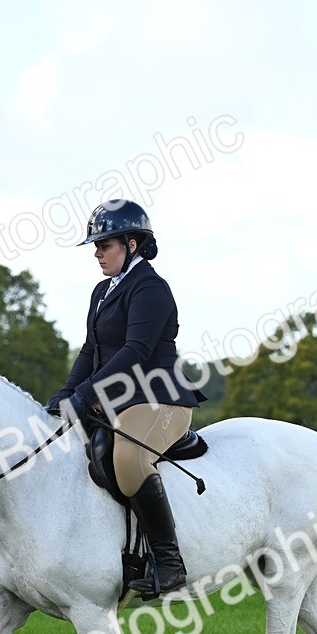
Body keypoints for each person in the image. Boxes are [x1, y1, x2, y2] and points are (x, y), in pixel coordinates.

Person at [45, 200, 206, 598]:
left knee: (128, 457)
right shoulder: (102, 291)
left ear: (132, 245)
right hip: (116, 401)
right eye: (96, 246)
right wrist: (66, 393)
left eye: (105, 245)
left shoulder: (151, 288)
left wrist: (86, 395)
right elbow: (89, 351)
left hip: (160, 399)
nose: (97, 253)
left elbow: (134, 351)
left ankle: (169, 565)